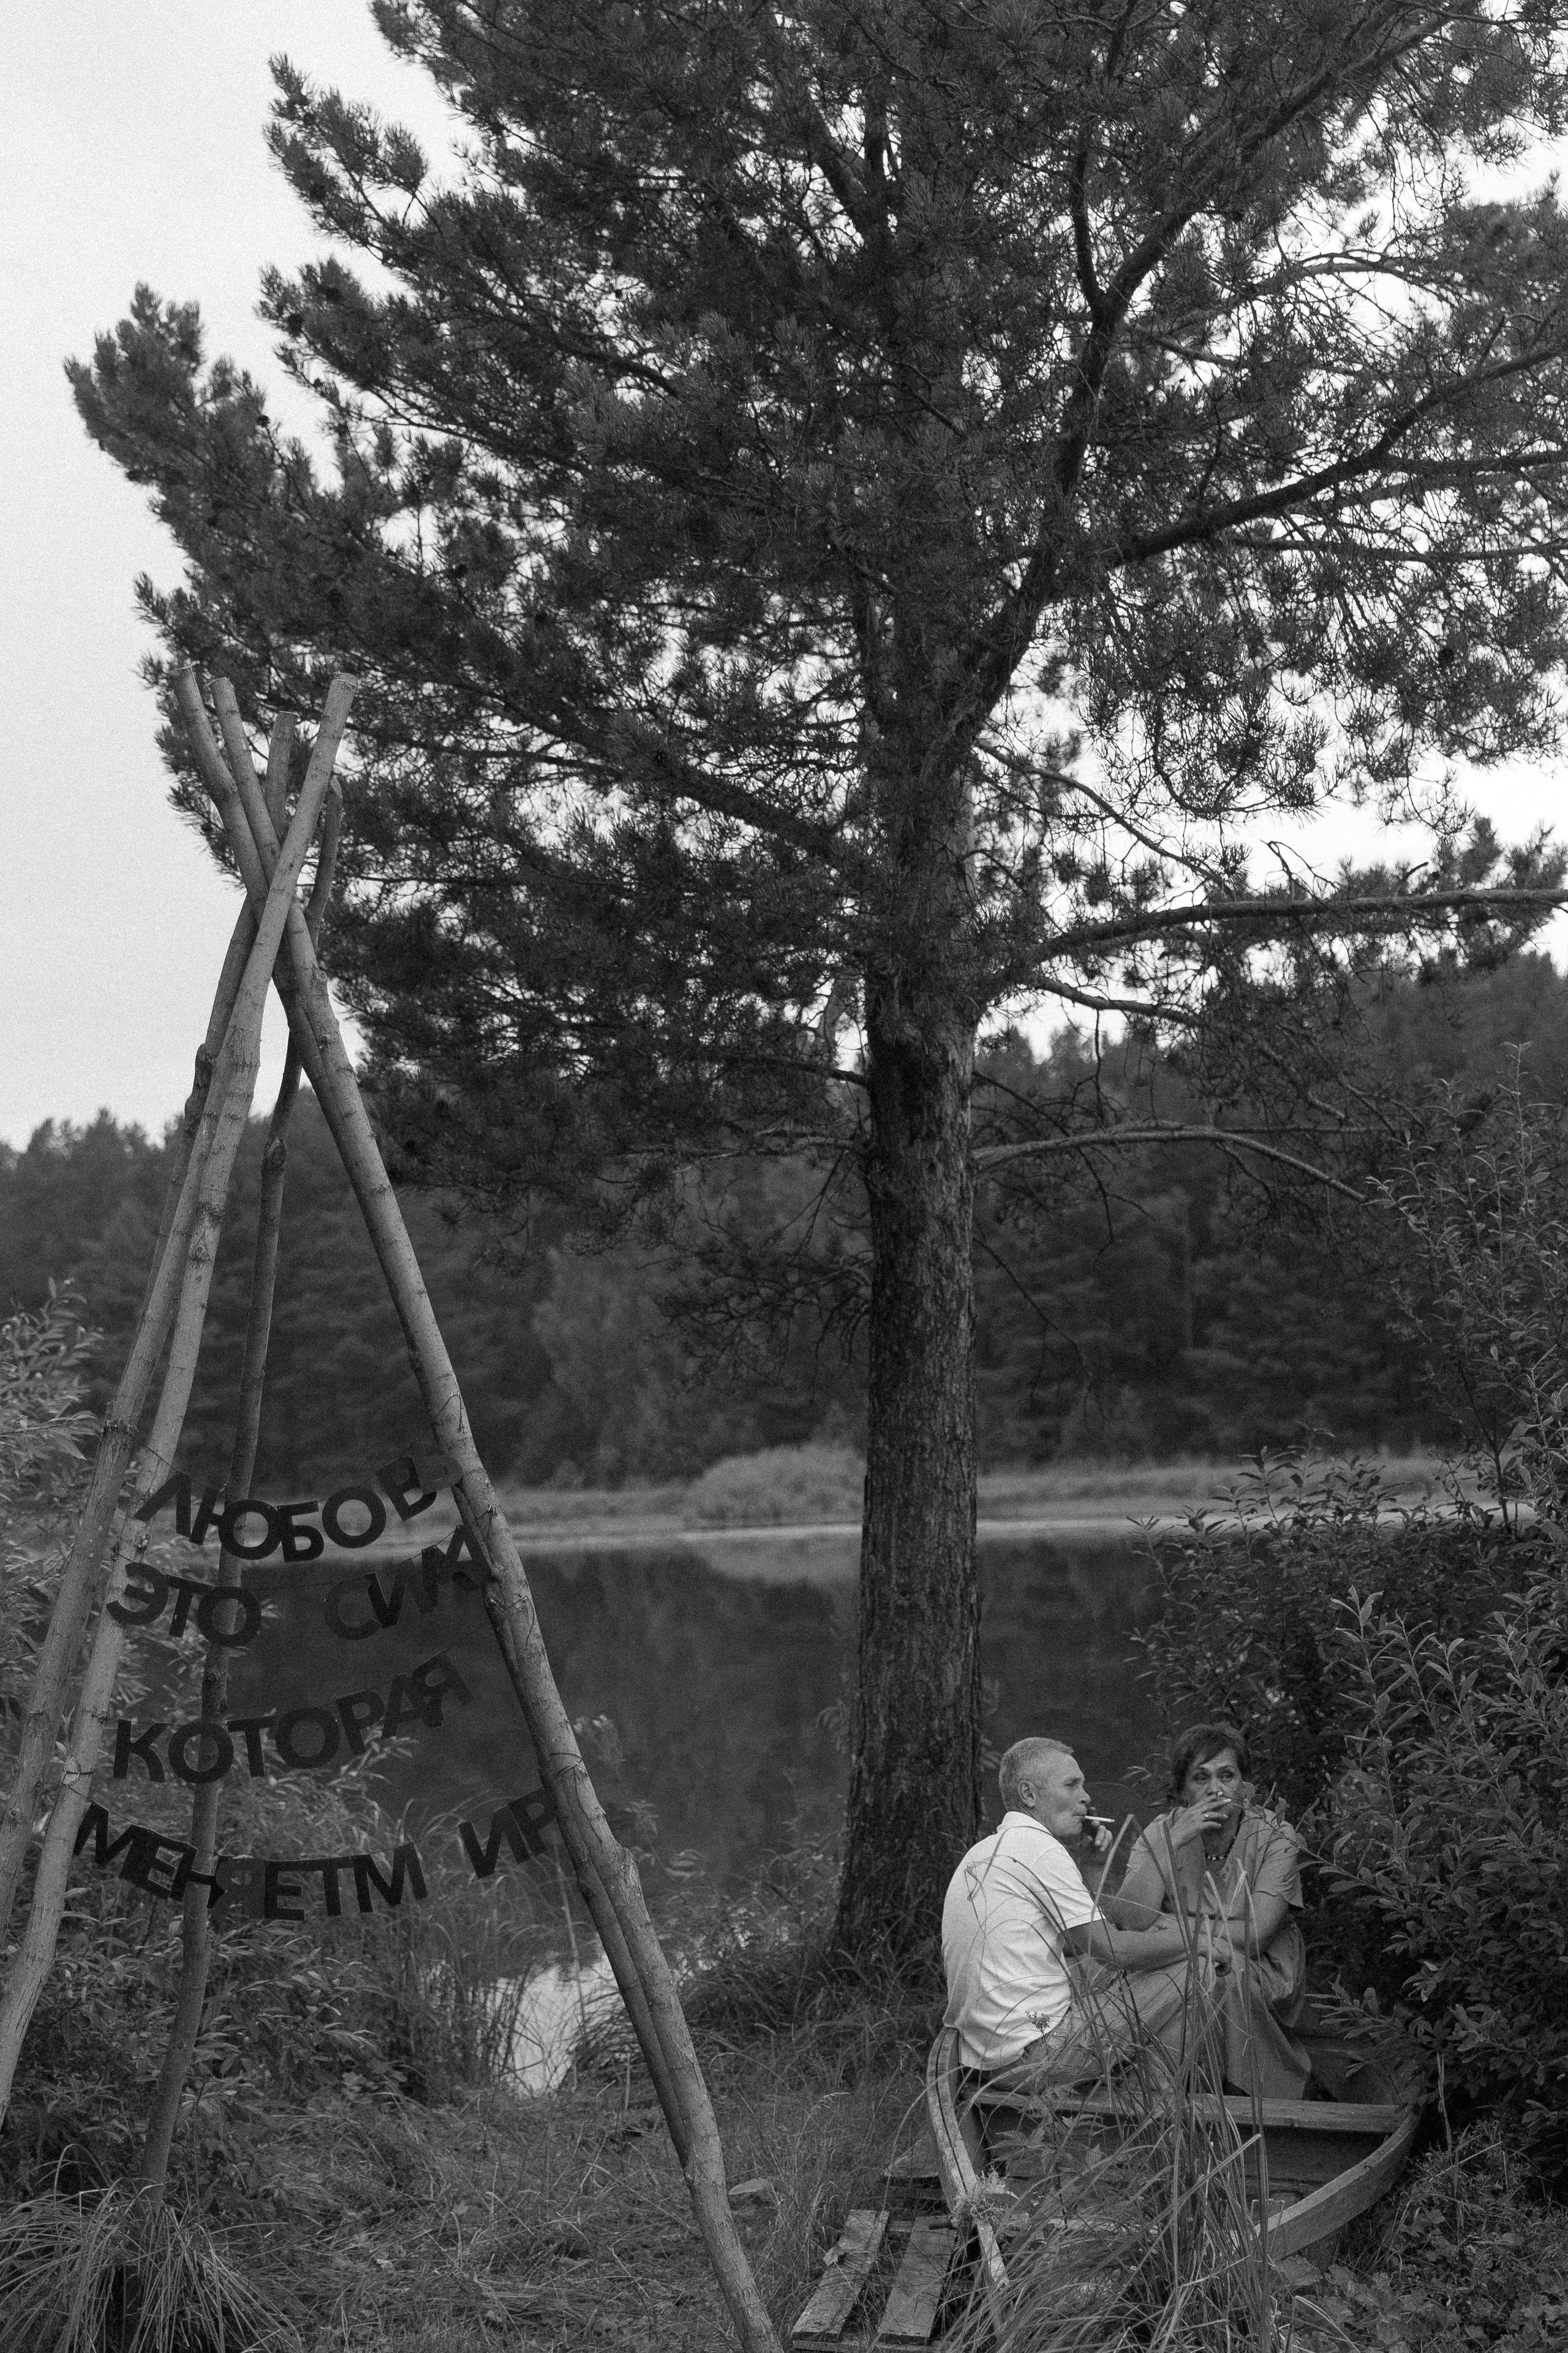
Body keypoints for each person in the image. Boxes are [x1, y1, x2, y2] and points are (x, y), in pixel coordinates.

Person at [942, 1735, 1209, 2091]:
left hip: (989, 2051)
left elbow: (1075, 1943)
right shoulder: (1040, 1849)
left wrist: (1095, 1869)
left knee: (1111, 1965)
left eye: (1082, 1784)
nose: (1086, 1797)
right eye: (1072, 1785)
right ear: (1029, 1795)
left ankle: (1138, 2088)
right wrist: (1199, 1941)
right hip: (1036, 2054)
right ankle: (1148, 2101)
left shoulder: (992, 1847)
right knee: (1198, 1968)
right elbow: (1117, 1952)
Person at [1113, 1721, 1311, 2100]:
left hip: (1262, 1964)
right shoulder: (1162, 1833)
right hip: (1182, 1955)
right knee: (1190, 1971)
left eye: (1227, 1775)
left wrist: (1173, 1926)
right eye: (1200, 1779)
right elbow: (1129, 1921)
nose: (1215, 1789)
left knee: (1214, 1976)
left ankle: (1236, 2091)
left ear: (1245, 1786)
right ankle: (1164, 2094)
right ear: (1182, 1791)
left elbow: (1257, 1935)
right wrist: (1174, 1843)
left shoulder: (1276, 1837)